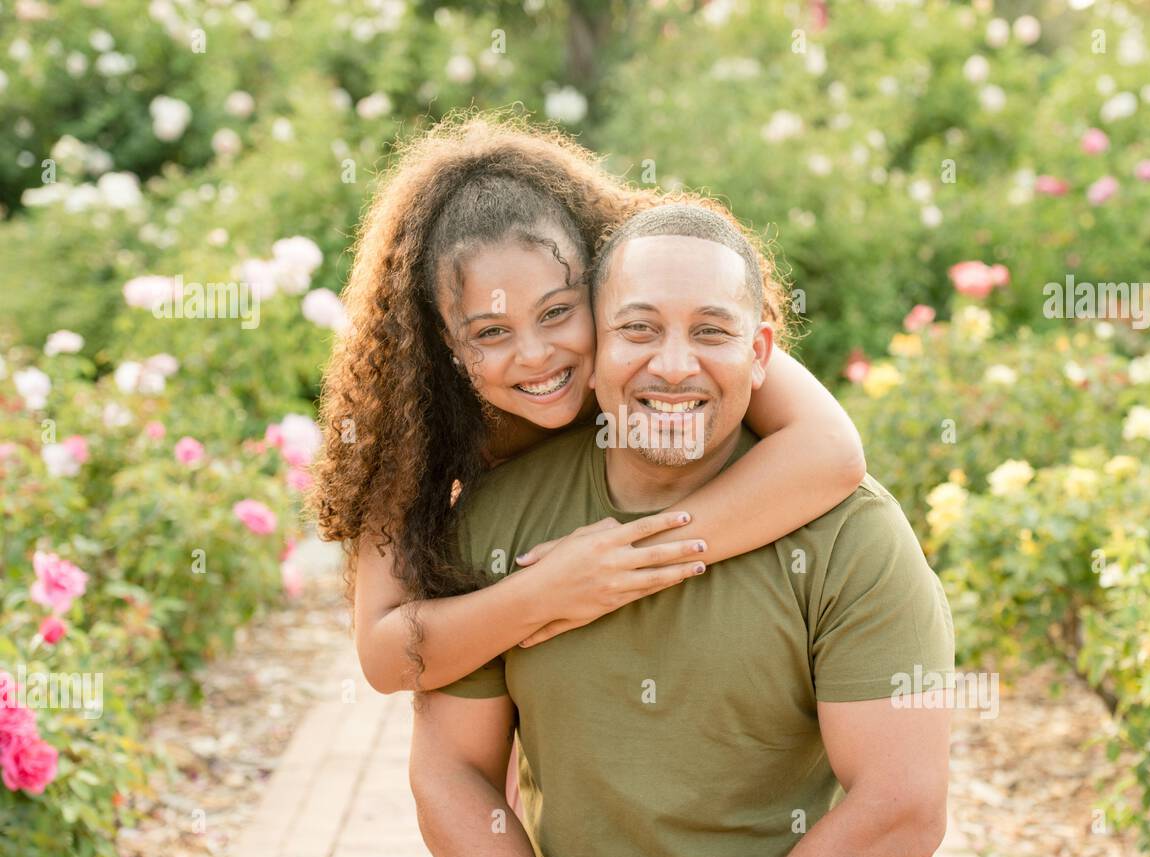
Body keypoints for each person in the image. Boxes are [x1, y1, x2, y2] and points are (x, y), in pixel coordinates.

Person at [309, 112, 867, 819]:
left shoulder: (657, 323)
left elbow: (831, 452)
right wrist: (552, 590)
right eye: (490, 332)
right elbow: (385, 653)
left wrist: (629, 560)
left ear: (600, 284)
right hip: (522, 655)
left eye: (558, 312)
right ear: (444, 340)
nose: (537, 355)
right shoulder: (410, 419)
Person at [410, 203, 956, 857]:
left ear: (758, 352)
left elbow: (900, 806)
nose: (672, 365)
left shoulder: (854, 537)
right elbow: (452, 771)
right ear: (593, 348)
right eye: (637, 328)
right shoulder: (498, 518)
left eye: (710, 331)